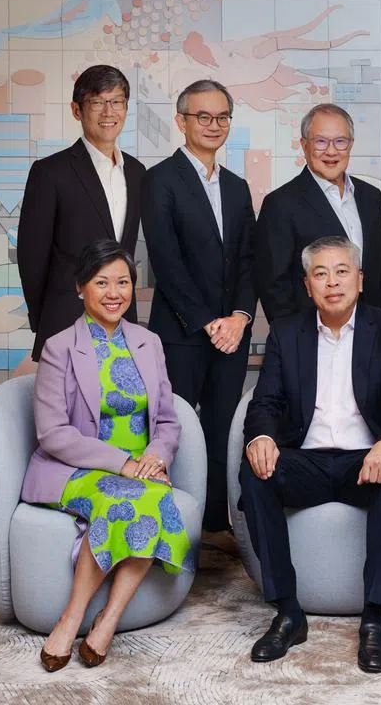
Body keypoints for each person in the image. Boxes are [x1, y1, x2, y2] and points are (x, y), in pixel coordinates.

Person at [240, 236, 381, 674]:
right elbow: (264, 401)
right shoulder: (288, 332)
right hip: (308, 459)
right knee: (255, 472)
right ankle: (288, 611)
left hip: (366, 459)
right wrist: (260, 438)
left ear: (360, 280)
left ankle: (375, 618)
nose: (332, 282)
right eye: (320, 274)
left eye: (342, 271)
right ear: (308, 287)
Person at [21, 240, 192, 672]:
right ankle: (71, 617)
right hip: (77, 468)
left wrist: (154, 458)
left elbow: (169, 421)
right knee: (128, 498)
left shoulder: (149, 343)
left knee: (150, 496)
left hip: (142, 466)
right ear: (81, 288)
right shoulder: (59, 347)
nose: (114, 292)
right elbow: (52, 432)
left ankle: (107, 619)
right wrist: (124, 465)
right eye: (102, 283)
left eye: (123, 282)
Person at [141, 79, 256, 554]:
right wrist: (210, 321)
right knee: (178, 427)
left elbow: (250, 260)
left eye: (222, 117)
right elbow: (166, 262)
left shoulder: (236, 185)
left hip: (232, 331)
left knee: (223, 425)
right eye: (203, 117)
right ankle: (173, 520)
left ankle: (214, 521)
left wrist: (240, 317)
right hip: (183, 332)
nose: (214, 125)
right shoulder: (161, 180)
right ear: (182, 120)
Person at [17, 64, 147, 361]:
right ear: (77, 110)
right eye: (97, 102)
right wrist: (46, 317)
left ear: (126, 109)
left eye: (116, 102)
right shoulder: (50, 172)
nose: (108, 112)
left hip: (122, 322)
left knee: (121, 405)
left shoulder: (138, 173)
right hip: (65, 319)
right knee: (66, 407)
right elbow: (31, 256)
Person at [254, 103, 381, 323]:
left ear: (350, 145)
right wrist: (294, 341)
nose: (331, 151)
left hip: (371, 334)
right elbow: (273, 286)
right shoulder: (280, 204)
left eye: (340, 141)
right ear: (304, 145)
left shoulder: (370, 197)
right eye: (320, 141)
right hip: (311, 337)